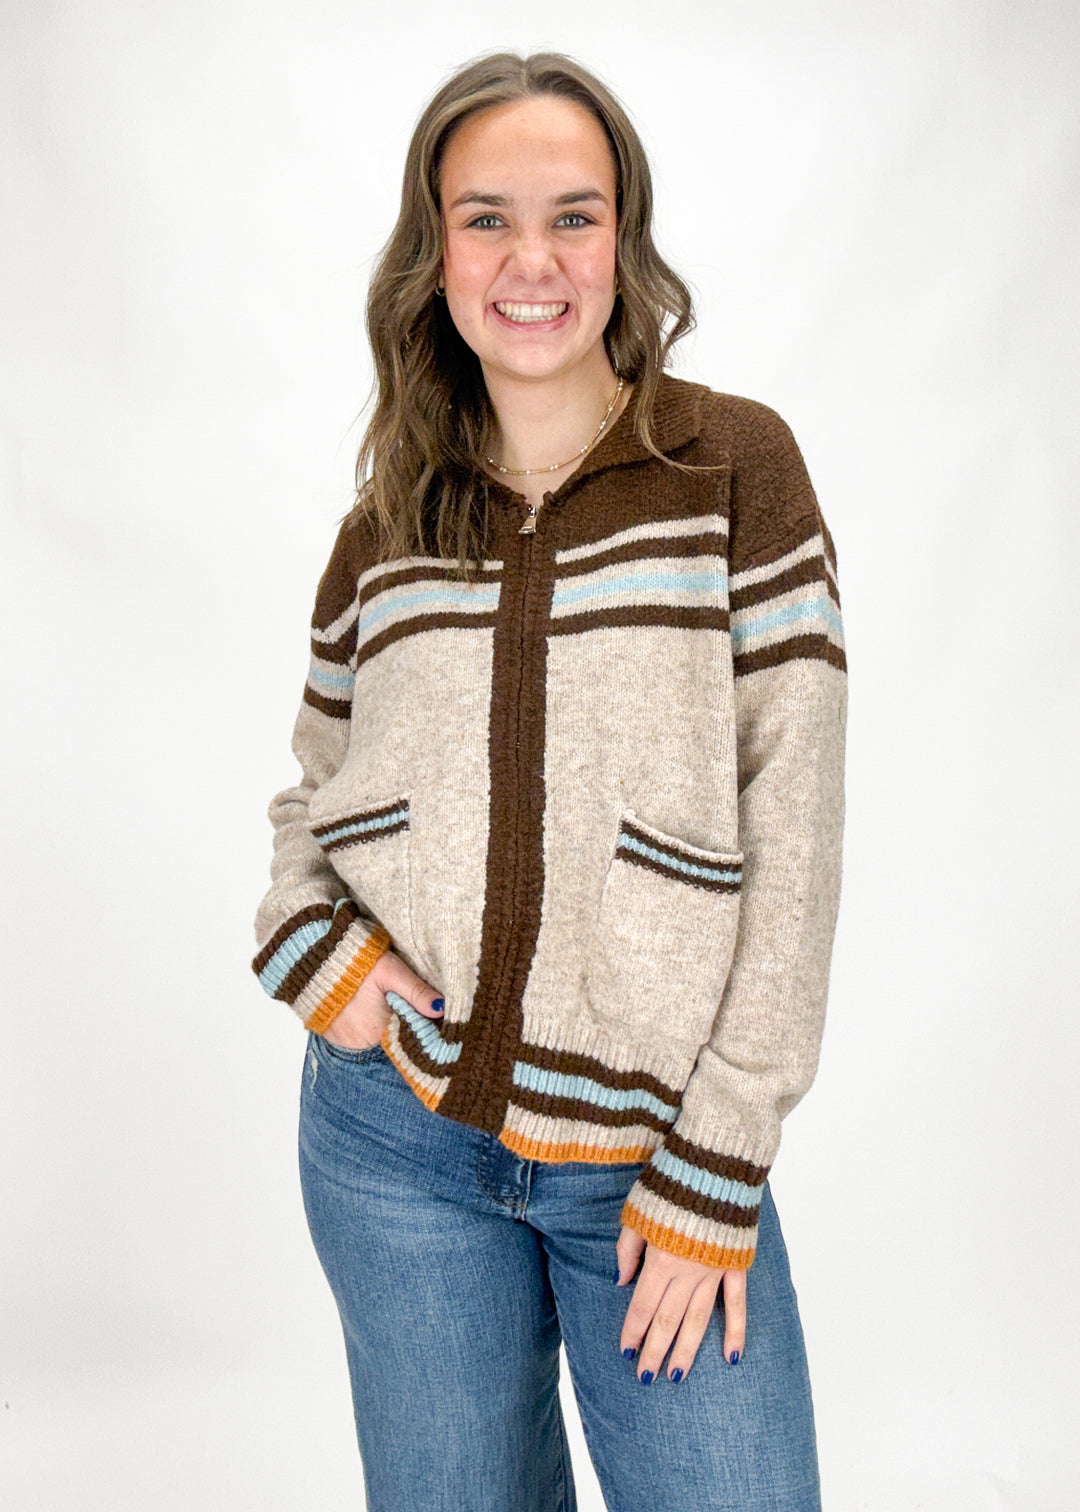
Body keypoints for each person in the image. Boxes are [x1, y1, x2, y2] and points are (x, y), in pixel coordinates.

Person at [252, 49, 846, 1512]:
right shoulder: (387, 520)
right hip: (396, 1141)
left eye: (574, 216)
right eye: (487, 217)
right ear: (433, 250)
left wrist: (721, 1155)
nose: (533, 260)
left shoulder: (728, 468)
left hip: (654, 1156)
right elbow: (315, 782)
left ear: (625, 242)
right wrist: (313, 947)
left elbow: (798, 821)